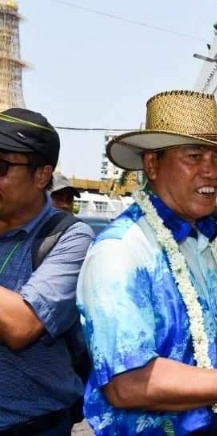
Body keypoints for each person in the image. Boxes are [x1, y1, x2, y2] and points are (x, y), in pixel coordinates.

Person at [77, 90, 217, 435]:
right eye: (194, 156)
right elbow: (128, 383)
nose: (211, 171)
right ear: (152, 165)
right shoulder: (122, 251)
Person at [0, 108, 94, 434]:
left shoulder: (70, 238)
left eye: (1, 167)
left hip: (32, 425)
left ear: (42, 175)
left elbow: (21, 325)